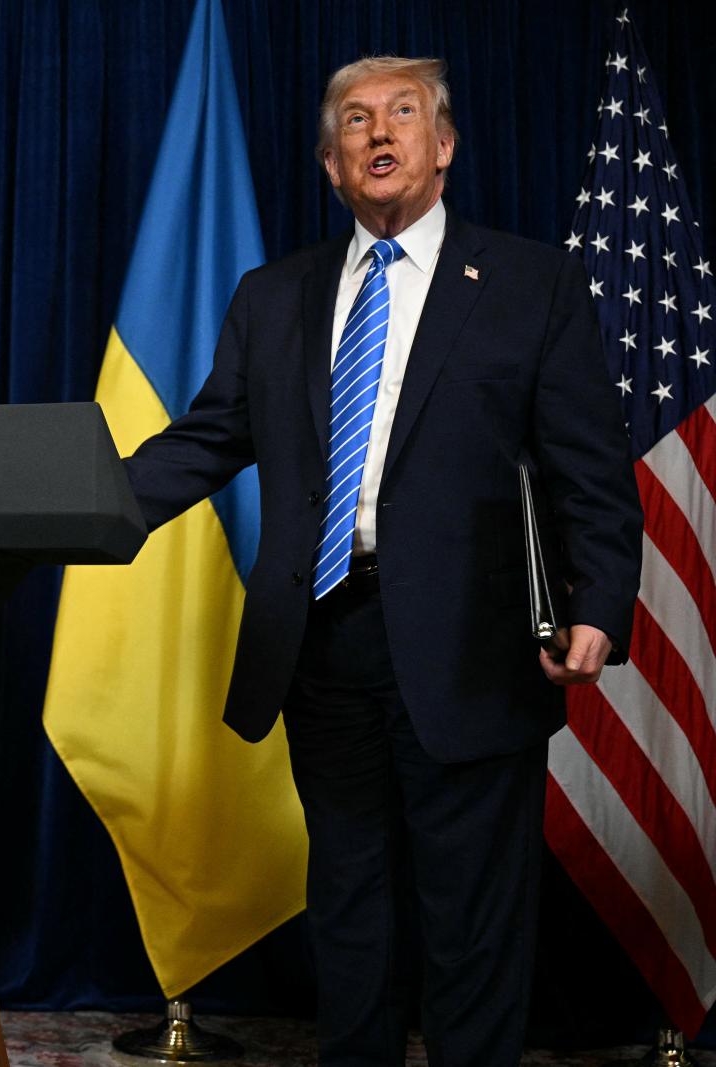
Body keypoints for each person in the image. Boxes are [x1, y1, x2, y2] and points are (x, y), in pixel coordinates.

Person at [124, 57, 642, 1066]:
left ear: (442, 146)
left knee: (472, 918)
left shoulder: (531, 284)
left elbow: (590, 468)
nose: (379, 132)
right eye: (355, 119)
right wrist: (78, 506)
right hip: (323, 643)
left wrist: (600, 602)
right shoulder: (273, 295)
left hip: (476, 648)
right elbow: (206, 439)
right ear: (331, 164)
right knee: (349, 906)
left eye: (403, 113)